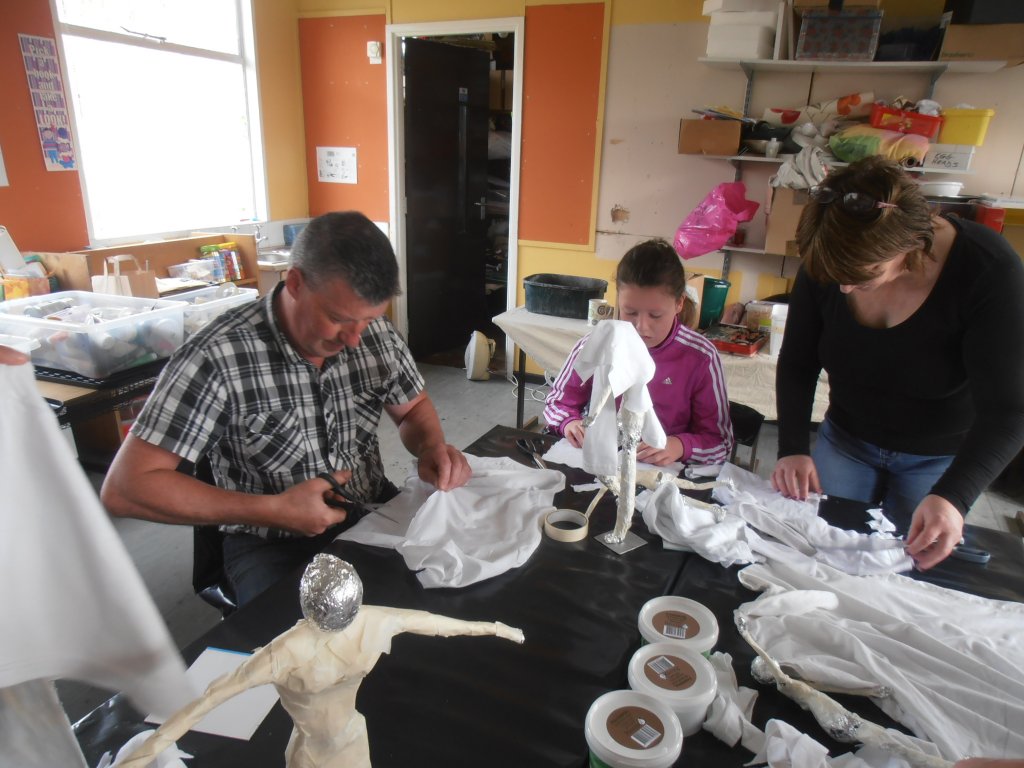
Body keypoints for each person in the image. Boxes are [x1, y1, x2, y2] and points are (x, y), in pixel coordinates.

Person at [101, 212, 472, 604]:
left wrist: (431, 447)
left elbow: (412, 409)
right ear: (295, 283)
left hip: (371, 509)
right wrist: (272, 509)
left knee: (450, 592)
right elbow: (127, 487)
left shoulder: (372, 334)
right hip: (272, 541)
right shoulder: (217, 357)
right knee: (309, 635)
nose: (353, 339)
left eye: (368, 320)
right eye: (338, 319)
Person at [771, 156, 1024, 570]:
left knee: (910, 568)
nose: (845, 288)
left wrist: (954, 497)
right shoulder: (832, 258)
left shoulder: (988, 270)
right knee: (827, 556)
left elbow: (1010, 412)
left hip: (938, 458)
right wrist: (793, 448)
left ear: (909, 244)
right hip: (847, 440)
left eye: (865, 274)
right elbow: (798, 361)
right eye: (837, 278)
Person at [114, 555, 524, 768]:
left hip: (351, 739)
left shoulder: (370, 621)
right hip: (311, 754)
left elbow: (435, 623)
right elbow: (208, 699)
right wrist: (142, 754)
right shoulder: (287, 652)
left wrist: (493, 628)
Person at [543, 238, 733, 466]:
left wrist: (679, 446)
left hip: (662, 472)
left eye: (655, 315)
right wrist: (569, 423)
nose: (641, 327)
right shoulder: (597, 345)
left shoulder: (701, 357)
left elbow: (720, 444)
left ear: (679, 304)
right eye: (630, 312)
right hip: (600, 461)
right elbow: (557, 403)